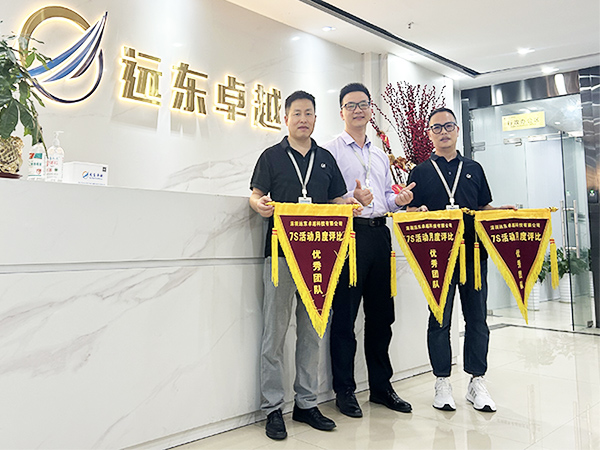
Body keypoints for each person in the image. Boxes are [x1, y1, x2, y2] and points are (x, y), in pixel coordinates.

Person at [249, 90, 360, 440]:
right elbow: (256, 195)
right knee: (274, 334)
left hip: (320, 258)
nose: (303, 119)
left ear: (315, 118)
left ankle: (306, 403)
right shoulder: (271, 156)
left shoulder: (325, 159)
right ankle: (273, 408)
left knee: (312, 333)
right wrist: (259, 205)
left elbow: (337, 200)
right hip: (281, 256)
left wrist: (352, 203)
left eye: (308, 113)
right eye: (296, 113)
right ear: (286, 118)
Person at [406, 107, 514, 413]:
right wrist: (415, 211)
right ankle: (442, 381)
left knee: (477, 318)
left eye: (448, 126)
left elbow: (483, 207)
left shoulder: (474, 168)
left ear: (457, 130)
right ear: (429, 134)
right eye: (436, 127)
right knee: (439, 319)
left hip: (473, 255)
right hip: (438, 258)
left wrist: (500, 212)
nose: (443, 132)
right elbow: (410, 212)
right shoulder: (420, 172)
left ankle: (477, 381)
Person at [323, 83, 415, 419]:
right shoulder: (330, 151)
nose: (358, 110)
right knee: (345, 316)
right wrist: (351, 199)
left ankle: (381, 387)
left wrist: (399, 200)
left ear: (370, 110)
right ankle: (345, 391)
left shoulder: (379, 154)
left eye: (363, 104)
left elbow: (385, 197)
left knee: (381, 316)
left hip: (380, 235)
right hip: (348, 237)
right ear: (341, 112)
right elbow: (325, 198)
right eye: (351, 105)